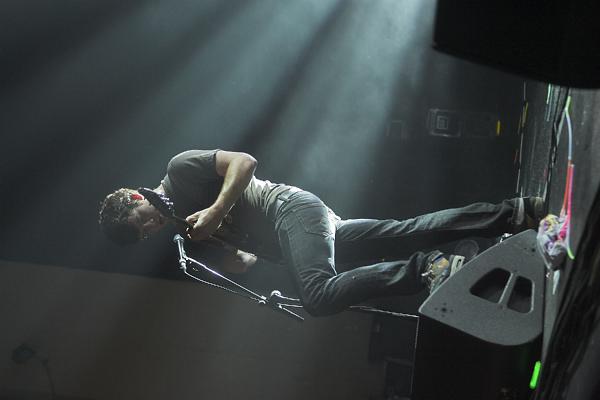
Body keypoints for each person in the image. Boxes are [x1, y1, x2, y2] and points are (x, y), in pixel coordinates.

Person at [98, 149, 543, 316]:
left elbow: (244, 163)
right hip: (299, 230)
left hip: (290, 210)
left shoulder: (179, 170)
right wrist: (236, 260)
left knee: (318, 296)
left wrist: (216, 210)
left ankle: (430, 269)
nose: (152, 228)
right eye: (145, 235)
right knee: (402, 232)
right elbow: (245, 254)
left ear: (136, 198)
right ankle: (514, 213)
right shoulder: (186, 227)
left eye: (143, 221)